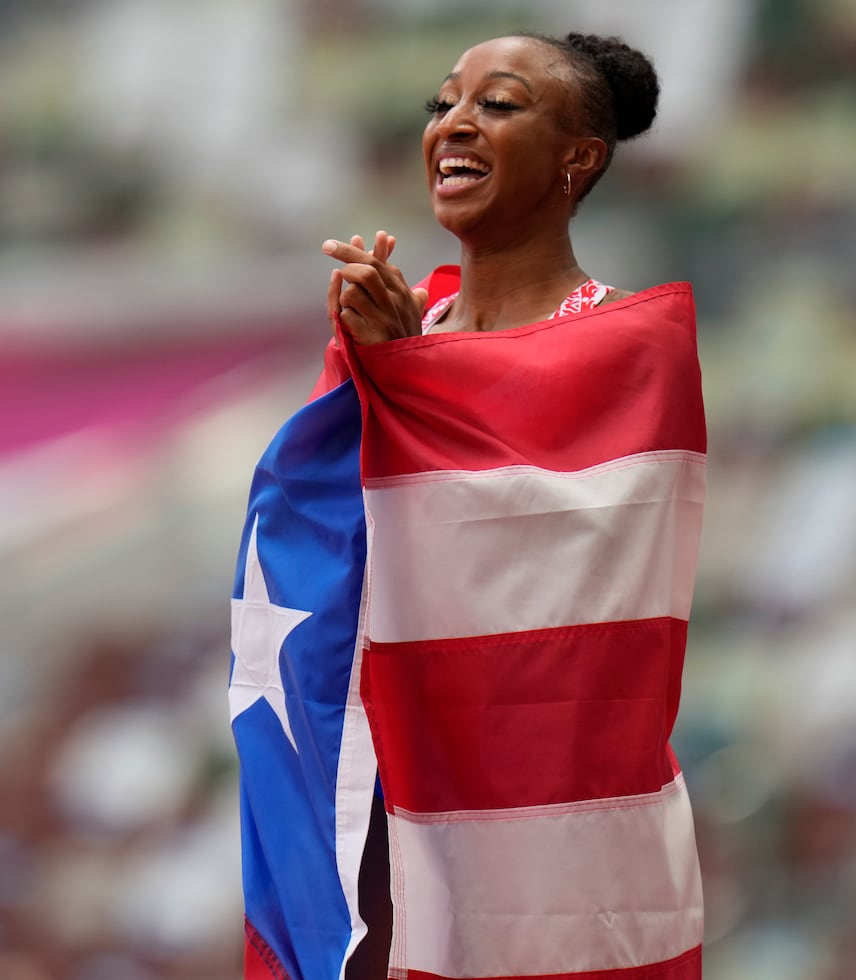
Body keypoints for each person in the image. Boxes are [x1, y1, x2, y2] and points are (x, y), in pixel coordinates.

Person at [230, 30, 706, 980]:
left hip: (550, 816)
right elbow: (316, 545)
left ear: (580, 156)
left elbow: (542, 559)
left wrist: (408, 376)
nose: (454, 122)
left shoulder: (630, 344)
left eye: (498, 103)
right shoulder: (409, 331)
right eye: (444, 103)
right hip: (388, 787)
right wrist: (373, 373)